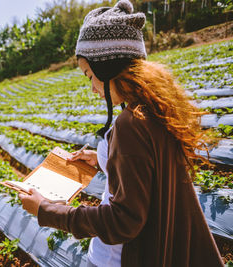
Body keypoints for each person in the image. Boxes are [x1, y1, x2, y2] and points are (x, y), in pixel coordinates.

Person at [18, 0, 224, 266]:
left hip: (117, 259)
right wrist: (103, 159)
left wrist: (46, 210)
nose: (92, 88)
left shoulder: (131, 123)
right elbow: (147, 174)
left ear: (108, 66)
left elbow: (123, 221)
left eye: (90, 75)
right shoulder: (153, 109)